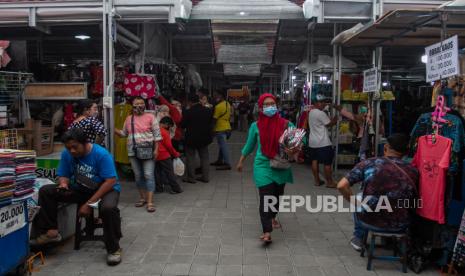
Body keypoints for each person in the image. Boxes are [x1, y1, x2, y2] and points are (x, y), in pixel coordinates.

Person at [31, 128, 122, 265]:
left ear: (85, 143)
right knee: (46, 191)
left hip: (106, 189)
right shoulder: (67, 154)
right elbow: (64, 174)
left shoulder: (101, 154)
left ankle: (114, 249)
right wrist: (63, 183)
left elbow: (110, 181)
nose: (72, 151)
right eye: (69, 148)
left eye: (75, 147)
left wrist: (89, 204)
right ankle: (51, 232)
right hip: (82, 188)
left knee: (108, 209)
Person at [337, 133, 418, 251]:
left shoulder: (369, 163)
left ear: (385, 147)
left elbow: (341, 185)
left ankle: (358, 237)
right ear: (406, 152)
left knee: (359, 197)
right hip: (400, 224)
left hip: (370, 221)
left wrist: (353, 202)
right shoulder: (413, 170)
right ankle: (392, 240)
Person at [236, 93, 295, 243]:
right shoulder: (255, 126)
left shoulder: (286, 124)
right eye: (266, 105)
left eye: (272, 104)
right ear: (261, 108)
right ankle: (267, 231)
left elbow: (301, 139)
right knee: (265, 197)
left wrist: (293, 148)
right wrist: (241, 161)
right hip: (262, 165)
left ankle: (273, 217)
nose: (270, 107)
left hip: (280, 164)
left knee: (276, 195)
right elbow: (250, 145)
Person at [115, 97, 161, 213]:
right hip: (133, 152)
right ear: (132, 105)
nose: (139, 105)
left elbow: (157, 135)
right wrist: (111, 126)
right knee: (138, 175)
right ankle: (142, 198)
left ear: (145, 105)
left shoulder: (151, 117)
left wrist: (156, 150)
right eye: (136, 104)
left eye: (141, 103)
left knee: (148, 175)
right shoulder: (129, 118)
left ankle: (150, 202)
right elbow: (123, 133)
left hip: (148, 150)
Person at [308, 95, 339, 188]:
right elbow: (329, 124)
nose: (323, 104)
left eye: (323, 102)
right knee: (327, 163)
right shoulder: (320, 113)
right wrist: (336, 118)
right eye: (321, 102)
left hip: (313, 142)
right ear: (316, 103)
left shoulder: (311, 112)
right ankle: (330, 182)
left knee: (314, 161)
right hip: (323, 142)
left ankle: (317, 181)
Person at [182, 94, 214, 183]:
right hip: (204, 138)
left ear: (190, 102)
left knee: (190, 157)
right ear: (199, 100)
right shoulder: (207, 110)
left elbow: (183, 124)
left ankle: (191, 178)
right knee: (205, 157)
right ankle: (205, 177)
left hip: (191, 138)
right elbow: (211, 123)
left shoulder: (188, 112)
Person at [155, 116, 183, 194]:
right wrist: (175, 154)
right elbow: (169, 146)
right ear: (166, 124)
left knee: (157, 172)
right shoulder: (164, 132)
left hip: (155, 155)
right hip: (164, 155)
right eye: (169, 126)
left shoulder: (153, 129)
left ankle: (159, 188)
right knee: (169, 172)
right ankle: (176, 188)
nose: (169, 128)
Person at [211, 90, 232, 170]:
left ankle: (227, 163)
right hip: (228, 127)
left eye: (216, 95)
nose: (215, 97)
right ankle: (219, 160)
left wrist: (212, 129)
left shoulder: (218, 106)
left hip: (220, 128)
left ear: (220, 96)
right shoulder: (228, 104)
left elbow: (214, 119)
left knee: (223, 146)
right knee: (222, 146)